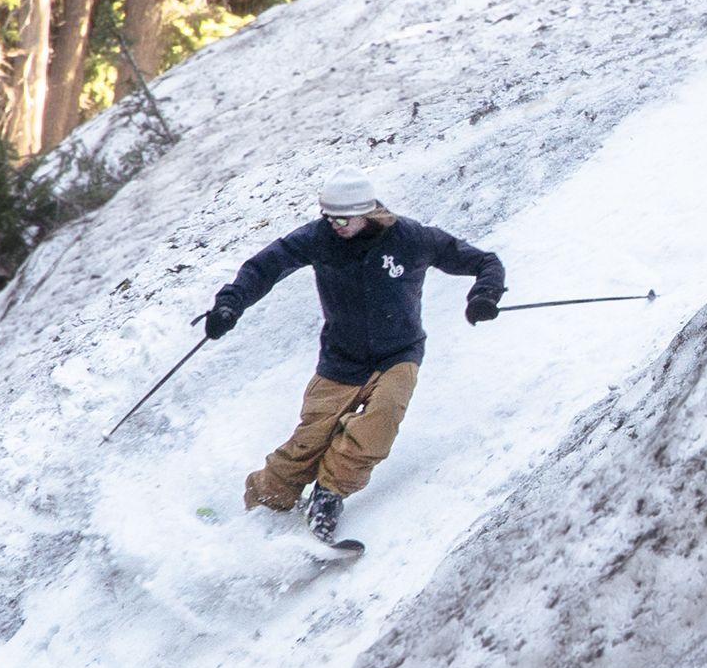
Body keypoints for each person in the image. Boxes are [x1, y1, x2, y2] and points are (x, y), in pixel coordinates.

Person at [203, 173, 506, 545]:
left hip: (398, 354)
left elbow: (486, 262)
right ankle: (261, 509)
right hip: (341, 360)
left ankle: (327, 498)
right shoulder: (319, 238)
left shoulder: (411, 239)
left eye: (343, 218)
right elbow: (264, 267)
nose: (336, 225)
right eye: (329, 216)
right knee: (307, 445)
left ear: (367, 211)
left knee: (379, 421)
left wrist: (484, 296)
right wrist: (229, 305)